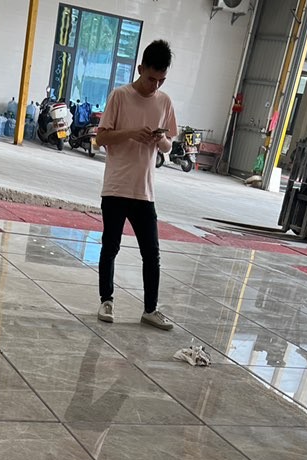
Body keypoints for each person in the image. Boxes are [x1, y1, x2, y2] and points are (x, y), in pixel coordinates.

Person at [94, 39, 177, 331]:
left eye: (161, 80)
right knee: (110, 247)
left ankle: (150, 309)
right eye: (151, 78)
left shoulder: (164, 102)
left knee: (151, 253)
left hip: (144, 191)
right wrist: (131, 133)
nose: (156, 85)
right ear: (140, 69)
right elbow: (101, 138)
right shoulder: (120, 96)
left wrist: (160, 139)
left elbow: (168, 145)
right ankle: (106, 301)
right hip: (116, 187)